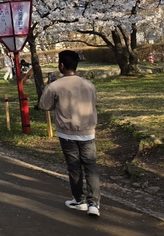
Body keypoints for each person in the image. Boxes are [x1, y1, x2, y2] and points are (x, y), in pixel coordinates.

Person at [39, 50, 101, 217]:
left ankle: (79, 200)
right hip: (88, 131)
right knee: (90, 166)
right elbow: (94, 102)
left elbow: (44, 105)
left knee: (74, 167)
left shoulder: (55, 86)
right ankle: (94, 203)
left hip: (67, 133)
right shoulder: (88, 84)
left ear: (61, 65)